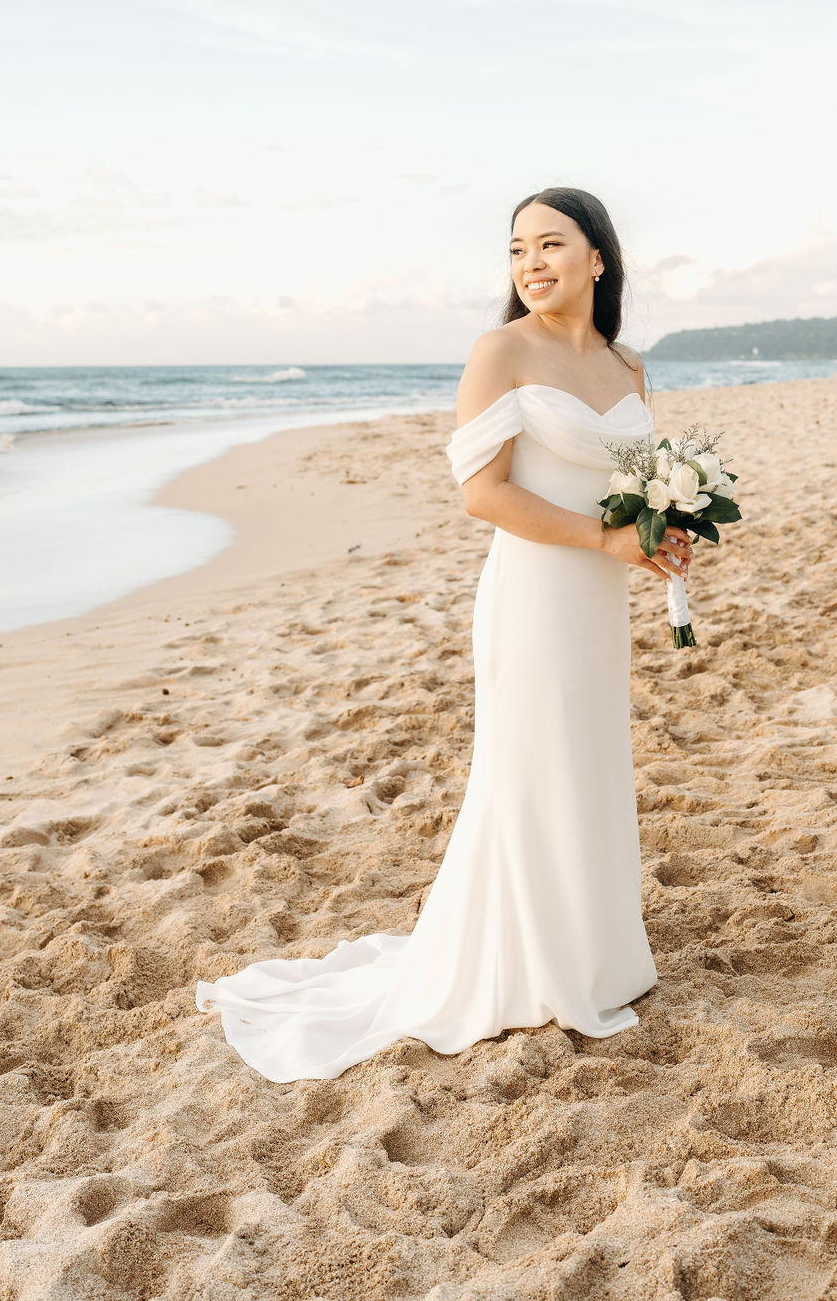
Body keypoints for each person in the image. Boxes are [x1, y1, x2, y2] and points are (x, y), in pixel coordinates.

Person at [195, 186, 691, 1082]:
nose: (531, 264)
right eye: (515, 251)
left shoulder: (629, 369)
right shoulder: (500, 350)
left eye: (550, 245)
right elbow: (484, 494)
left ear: (599, 259)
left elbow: (629, 489)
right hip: (537, 592)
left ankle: (599, 957)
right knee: (531, 765)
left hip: (600, 597)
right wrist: (603, 539)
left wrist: (655, 533)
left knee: (590, 758)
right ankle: (530, 966)